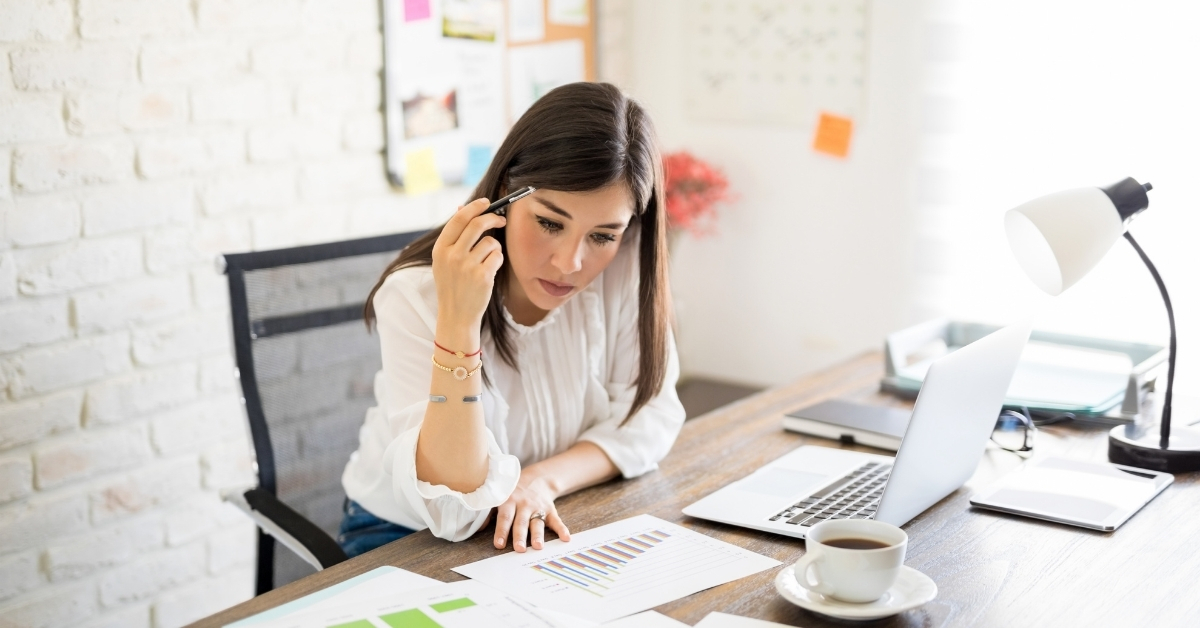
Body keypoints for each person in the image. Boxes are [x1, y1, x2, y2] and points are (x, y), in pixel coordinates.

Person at [338, 82, 686, 558]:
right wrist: (459, 323)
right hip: (405, 538)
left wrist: (541, 479)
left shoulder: (625, 265)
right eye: (549, 222)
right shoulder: (416, 294)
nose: (569, 263)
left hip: (547, 513)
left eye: (603, 235)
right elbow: (453, 509)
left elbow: (652, 415)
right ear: (504, 193)